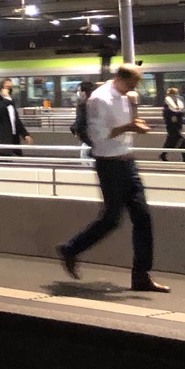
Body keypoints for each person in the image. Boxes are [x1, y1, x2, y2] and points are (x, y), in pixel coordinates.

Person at [58, 64, 168, 293]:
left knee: (143, 217)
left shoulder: (125, 97)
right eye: (133, 83)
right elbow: (98, 136)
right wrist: (129, 126)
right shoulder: (99, 99)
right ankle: (71, 249)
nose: (135, 88)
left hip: (127, 161)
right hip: (109, 164)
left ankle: (141, 276)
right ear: (121, 78)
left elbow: (127, 127)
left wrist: (133, 116)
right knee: (111, 219)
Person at [0, 80, 30, 157]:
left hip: (14, 137)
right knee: (5, 159)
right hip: (2, 138)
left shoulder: (11, 100)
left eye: (10, 88)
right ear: (2, 88)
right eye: (7, 87)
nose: (9, 90)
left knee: (19, 159)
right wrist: (6, 99)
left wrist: (25, 134)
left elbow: (15, 119)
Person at [160, 86, 185, 162]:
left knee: (170, 142)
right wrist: (177, 113)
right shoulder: (167, 106)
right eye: (174, 94)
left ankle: (163, 154)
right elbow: (169, 116)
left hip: (177, 126)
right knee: (181, 141)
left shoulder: (178, 104)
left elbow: (181, 113)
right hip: (172, 127)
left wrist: (179, 113)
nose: (176, 95)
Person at [69, 80, 97, 151]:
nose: (78, 93)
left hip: (88, 142)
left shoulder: (82, 106)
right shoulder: (100, 104)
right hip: (100, 141)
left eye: (79, 91)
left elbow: (79, 122)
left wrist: (73, 128)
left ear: (84, 93)